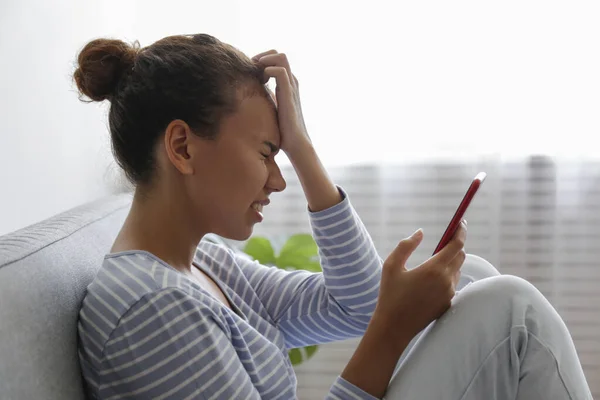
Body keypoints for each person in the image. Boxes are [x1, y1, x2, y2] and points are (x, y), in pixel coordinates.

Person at [74, 34, 592, 400]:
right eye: (264, 154)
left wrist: (301, 148)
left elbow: (357, 305)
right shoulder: (150, 307)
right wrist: (391, 332)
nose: (278, 181)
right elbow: (375, 321)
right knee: (511, 309)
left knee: (471, 277)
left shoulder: (205, 263)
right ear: (182, 146)